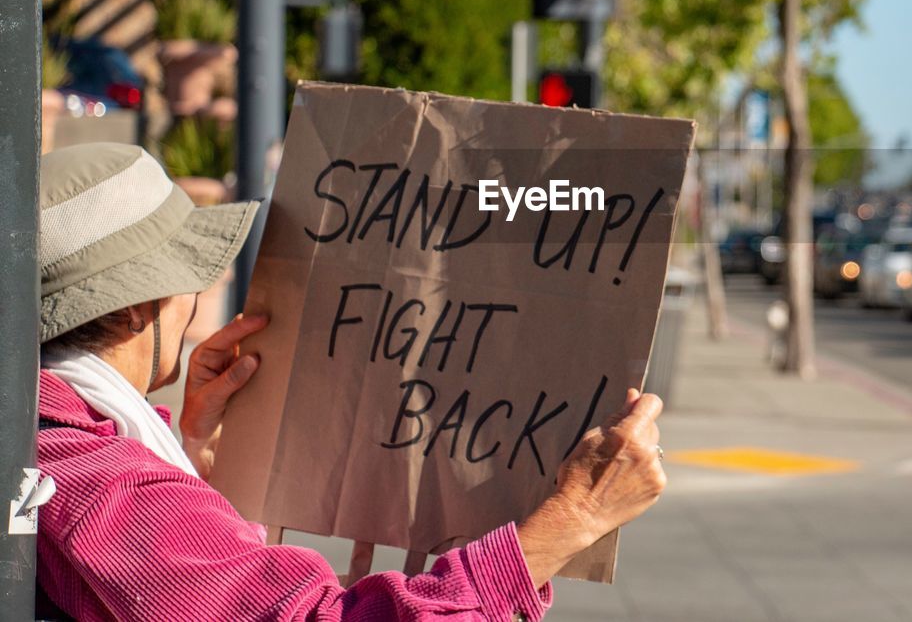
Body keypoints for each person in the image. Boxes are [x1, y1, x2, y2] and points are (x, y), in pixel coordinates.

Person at [34, 143, 666, 620]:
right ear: (131, 309)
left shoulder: (65, 438)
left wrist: (189, 450)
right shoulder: (101, 478)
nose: (197, 297)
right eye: (183, 280)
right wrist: (575, 517)